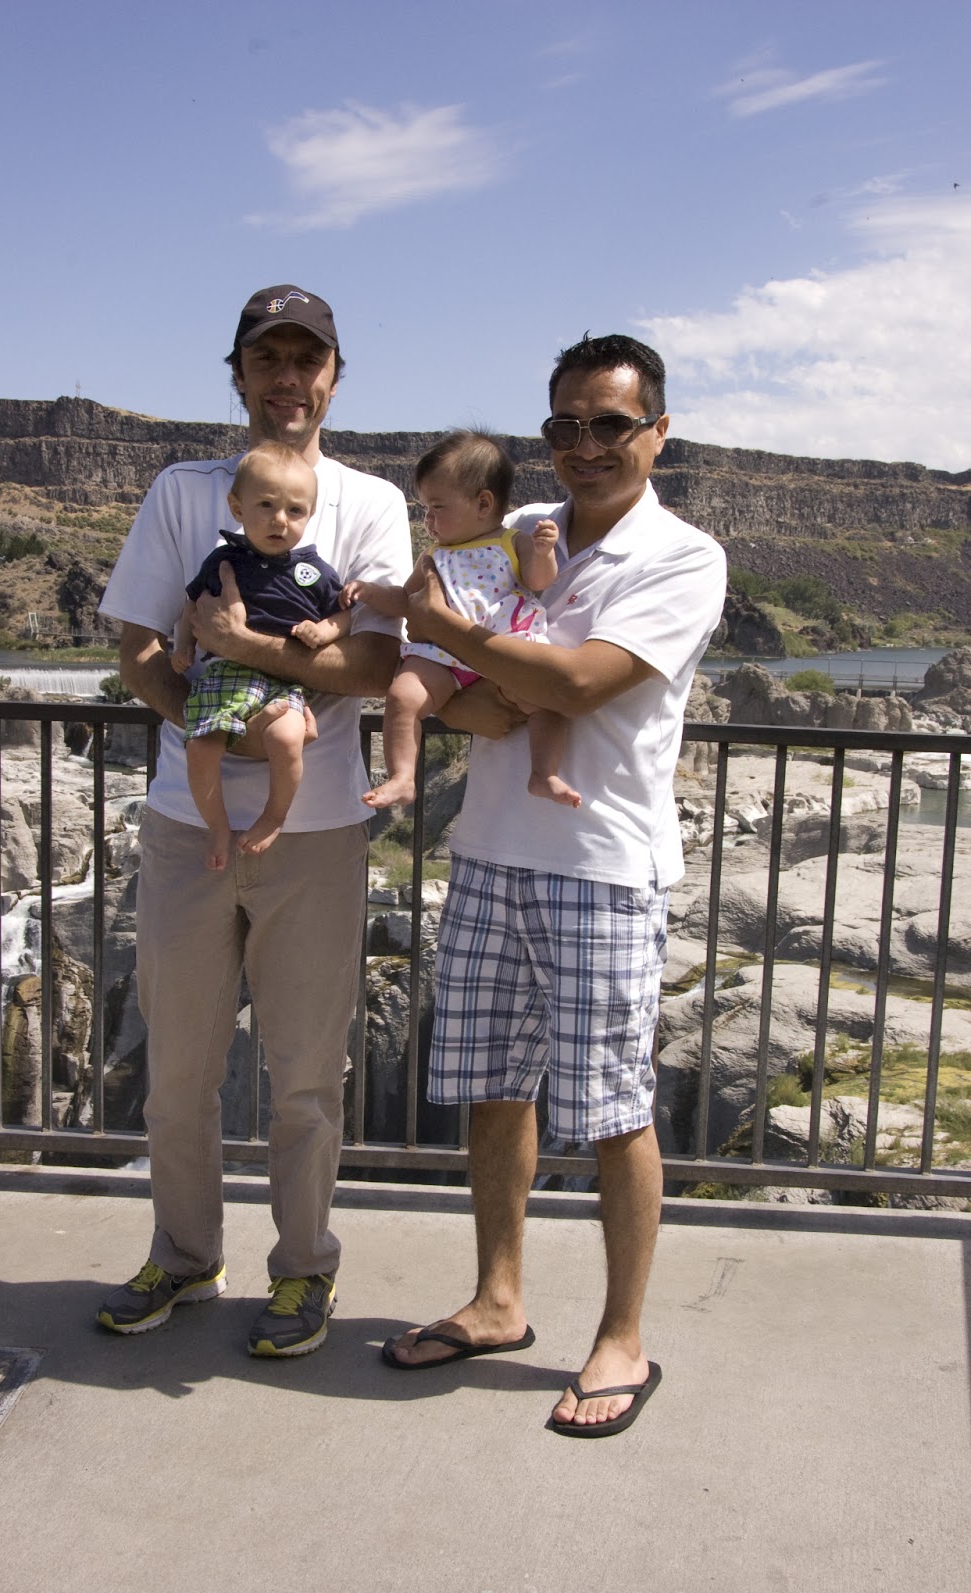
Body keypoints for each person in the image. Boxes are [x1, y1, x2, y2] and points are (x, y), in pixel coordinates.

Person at [382, 334, 727, 1438]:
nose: (586, 444)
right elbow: (480, 701)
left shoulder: (682, 557)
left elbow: (575, 683)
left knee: (615, 1111)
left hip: (603, 868)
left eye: (610, 424)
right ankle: (497, 1301)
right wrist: (481, 676)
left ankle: (622, 1338)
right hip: (489, 850)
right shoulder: (518, 533)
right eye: (565, 425)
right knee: (494, 1091)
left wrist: (451, 636)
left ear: (656, 432)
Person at [96, 284, 412, 1355]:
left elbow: (372, 664)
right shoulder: (182, 491)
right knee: (178, 1069)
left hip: (315, 833)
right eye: (267, 359)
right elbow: (138, 646)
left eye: (305, 360)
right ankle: (184, 1254)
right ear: (237, 374)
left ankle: (304, 1270)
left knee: (306, 1074)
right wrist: (216, 727)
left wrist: (242, 651)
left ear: (334, 378)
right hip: (184, 826)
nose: (288, 379)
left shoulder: (370, 503)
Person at [346, 429, 580, 811]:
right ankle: (402, 777)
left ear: (483, 504)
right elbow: (406, 600)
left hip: (505, 649)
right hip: (444, 657)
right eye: (425, 508)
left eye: (437, 507)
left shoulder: (511, 542)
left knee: (545, 700)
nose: (427, 519)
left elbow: (539, 580)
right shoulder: (434, 556)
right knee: (402, 696)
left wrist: (543, 553)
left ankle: (544, 773)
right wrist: (372, 592)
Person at [171, 441, 351, 870]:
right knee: (200, 748)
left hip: (282, 681)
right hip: (224, 675)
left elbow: (345, 616)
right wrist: (183, 646)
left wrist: (324, 630)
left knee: (287, 739)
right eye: (266, 505)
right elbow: (191, 606)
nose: (279, 520)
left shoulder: (314, 571)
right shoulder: (223, 560)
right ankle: (217, 826)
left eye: (295, 510)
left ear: (309, 515)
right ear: (237, 508)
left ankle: (275, 816)